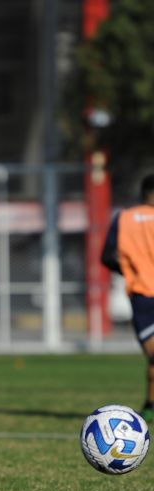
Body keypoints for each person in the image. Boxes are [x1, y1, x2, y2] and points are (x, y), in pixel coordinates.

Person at [102, 174, 154, 423]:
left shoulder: (124, 218)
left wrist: (132, 270)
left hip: (142, 295)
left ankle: (150, 405)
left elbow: (106, 257)